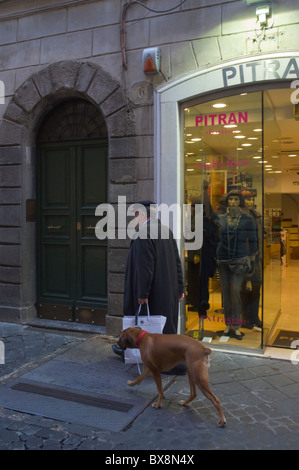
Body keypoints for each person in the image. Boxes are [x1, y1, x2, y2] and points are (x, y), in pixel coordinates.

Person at [112, 201, 185, 362]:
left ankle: (147, 355)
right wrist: (180, 287)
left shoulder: (144, 233)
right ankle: (169, 357)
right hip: (168, 291)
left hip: (153, 294)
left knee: (147, 326)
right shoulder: (166, 230)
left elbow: (145, 267)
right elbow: (177, 261)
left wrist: (142, 293)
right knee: (165, 327)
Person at [216, 191, 257, 340]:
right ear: (227, 202)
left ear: (240, 202)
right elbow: (215, 238)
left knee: (235, 290)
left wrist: (252, 259)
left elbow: (253, 240)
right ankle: (228, 324)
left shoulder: (247, 219)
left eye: (235, 199)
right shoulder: (220, 219)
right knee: (226, 292)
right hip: (223, 259)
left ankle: (237, 325)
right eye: (230, 199)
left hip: (240, 259)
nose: (233, 202)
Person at [240, 190, 263, 331]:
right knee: (241, 290)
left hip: (256, 258)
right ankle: (245, 318)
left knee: (256, 288)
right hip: (242, 259)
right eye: (247, 199)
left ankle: (254, 316)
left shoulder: (256, 215)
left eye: (251, 199)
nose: (250, 201)